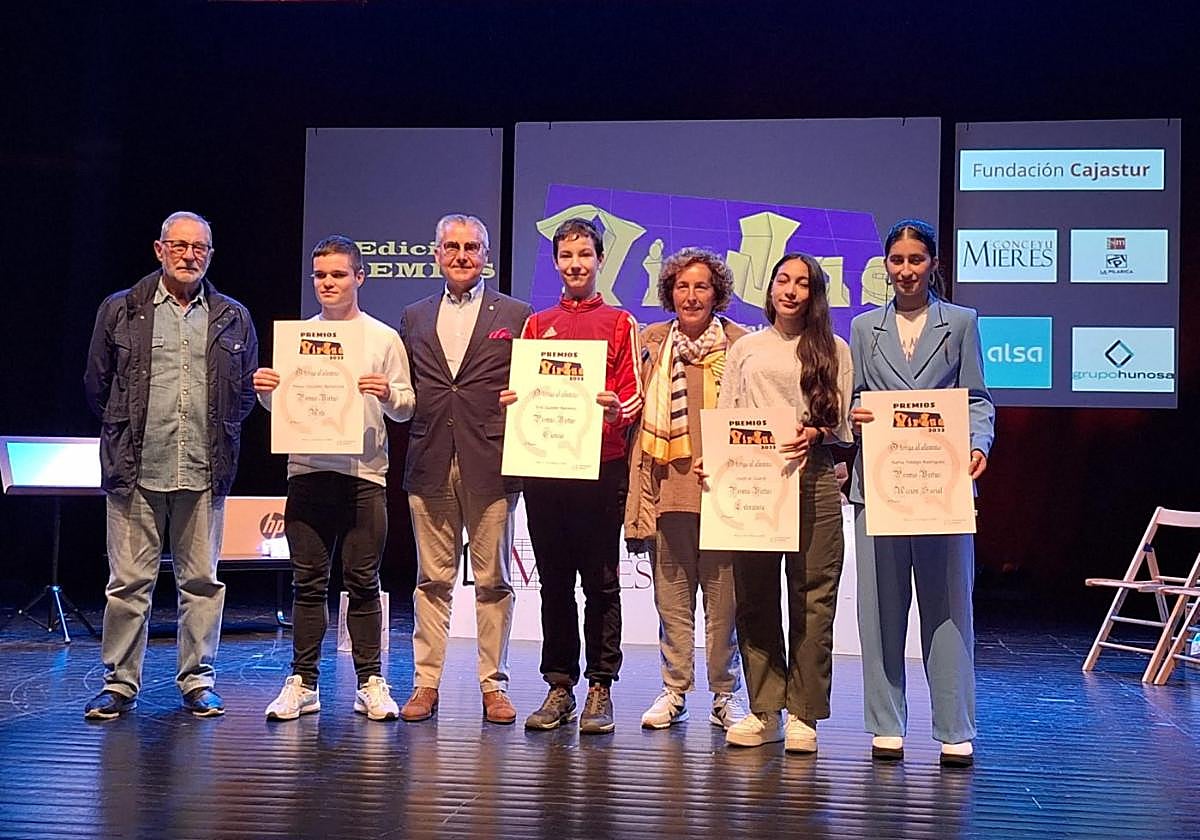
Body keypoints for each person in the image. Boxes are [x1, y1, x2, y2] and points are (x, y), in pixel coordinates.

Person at [83, 211, 258, 720]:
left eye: (198, 247)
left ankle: (198, 681)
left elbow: (243, 393)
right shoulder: (122, 309)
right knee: (128, 585)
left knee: (201, 581)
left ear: (209, 254)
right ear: (159, 250)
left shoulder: (232, 316)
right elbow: (97, 386)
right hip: (135, 470)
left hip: (205, 470)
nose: (188, 255)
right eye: (178, 246)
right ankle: (118, 683)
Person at [849, 219, 994, 768]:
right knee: (881, 611)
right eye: (897, 260)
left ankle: (954, 727)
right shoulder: (865, 328)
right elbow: (854, 398)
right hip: (881, 486)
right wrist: (856, 415)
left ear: (933, 263)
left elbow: (977, 397)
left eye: (916, 259)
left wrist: (980, 442)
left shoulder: (960, 323)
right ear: (885, 265)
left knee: (950, 610)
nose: (906, 270)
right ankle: (887, 724)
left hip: (943, 485)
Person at [256, 235, 415, 722]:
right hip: (307, 473)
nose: (328, 283)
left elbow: (407, 406)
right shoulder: (297, 337)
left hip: (364, 474)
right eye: (321, 275)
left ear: (359, 278)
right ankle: (303, 683)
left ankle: (371, 681)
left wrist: (387, 393)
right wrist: (268, 391)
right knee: (308, 584)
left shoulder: (383, 337)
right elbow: (282, 408)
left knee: (364, 581)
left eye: (338, 274)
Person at [502, 218, 643, 734]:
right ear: (556, 261)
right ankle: (559, 685)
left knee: (603, 582)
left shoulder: (620, 321)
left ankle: (601, 687)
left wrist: (613, 410)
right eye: (567, 255)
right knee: (554, 582)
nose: (576, 264)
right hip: (545, 467)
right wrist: (515, 402)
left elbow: (634, 396)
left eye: (585, 254)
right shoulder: (537, 325)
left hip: (600, 468)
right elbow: (524, 390)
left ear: (600, 259)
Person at [715, 253, 853, 753]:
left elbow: (841, 425)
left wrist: (815, 431)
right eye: (782, 280)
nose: (790, 290)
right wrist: (717, 464)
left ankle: (805, 714)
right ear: (770, 287)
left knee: (814, 597)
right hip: (750, 478)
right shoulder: (746, 348)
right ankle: (764, 708)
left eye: (802, 283)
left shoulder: (833, 347)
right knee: (754, 596)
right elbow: (726, 415)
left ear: (815, 293)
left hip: (812, 477)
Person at [397, 214, 532, 725]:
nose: (460, 255)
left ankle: (493, 685)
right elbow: (404, 386)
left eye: (471, 247)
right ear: (435, 253)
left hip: (492, 460)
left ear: (486, 255)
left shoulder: (516, 314)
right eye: (451, 247)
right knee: (431, 580)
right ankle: (425, 683)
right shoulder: (413, 315)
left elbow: (535, 383)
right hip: (430, 459)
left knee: (492, 579)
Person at [624, 247, 750, 731]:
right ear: (669, 293)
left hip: (724, 493)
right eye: (681, 286)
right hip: (666, 488)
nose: (691, 295)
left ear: (717, 293)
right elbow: (631, 401)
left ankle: (724, 695)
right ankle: (674, 690)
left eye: (701, 286)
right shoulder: (652, 341)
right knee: (671, 600)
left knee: (724, 606)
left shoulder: (741, 344)